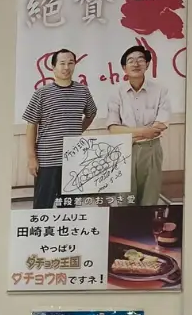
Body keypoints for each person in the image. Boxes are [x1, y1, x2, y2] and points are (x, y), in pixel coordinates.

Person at [23, 49, 97, 209]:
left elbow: (91, 113)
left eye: (71, 63)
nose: (66, 67)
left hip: (73, 159)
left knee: (69, 205)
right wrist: (31, 158)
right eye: (62, 63)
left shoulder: (82, 91)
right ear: (53, 67)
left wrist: (78, 131)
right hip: (47, 159)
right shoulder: (41, 93)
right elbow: (31, 125)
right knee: (43, 206)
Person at [104, 45, 172, 205]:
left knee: (150, 198)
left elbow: (160, 125)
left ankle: (146, 230)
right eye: (131, 61)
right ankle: (125, 230)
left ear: (147, 64)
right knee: (124, 200)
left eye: (140, 60)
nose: (136, 64)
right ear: (124, 67)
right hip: (123, 150)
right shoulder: (116, 93)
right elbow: (113, 128)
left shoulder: (160, 91)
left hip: (151, 150)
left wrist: (132, 133)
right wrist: (143, 131)